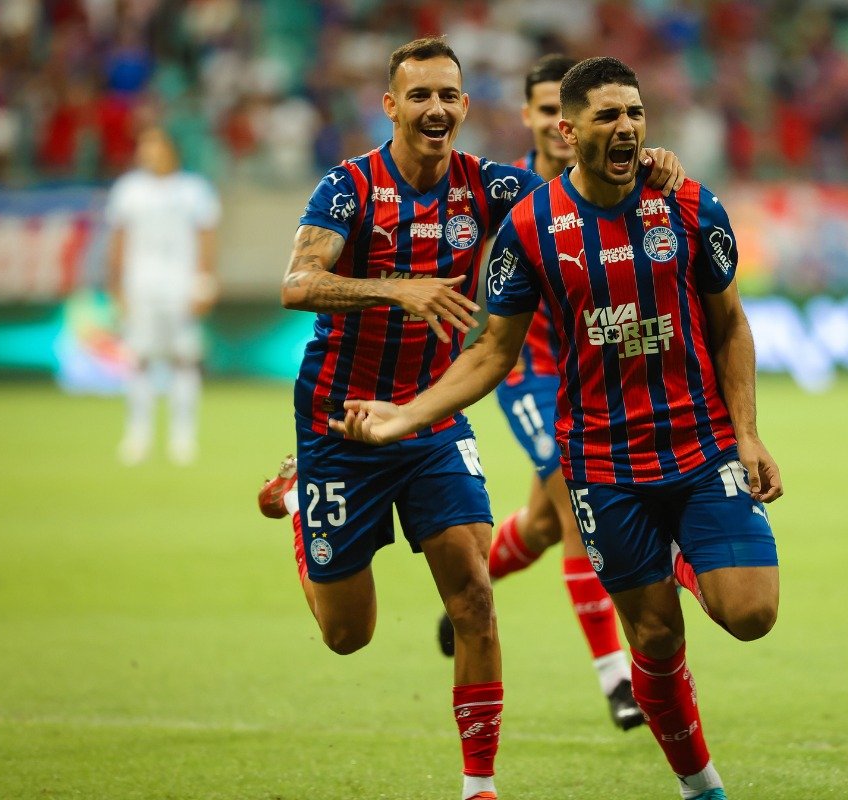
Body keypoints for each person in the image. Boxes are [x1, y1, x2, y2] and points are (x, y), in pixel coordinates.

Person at [331, 56, 782, 800]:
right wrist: (407, 415)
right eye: (608, 116)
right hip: (603, 465)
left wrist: (749, 433)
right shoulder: (530, 229)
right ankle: (703, 788)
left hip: (700, 449)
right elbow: (491, 352)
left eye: (634, 113)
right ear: (568, 132)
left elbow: (731, 325)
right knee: (658, 639)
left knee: (753, 612)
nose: (627, 127)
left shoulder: (692, 206)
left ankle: (680, 555)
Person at [267, 38, 684, 800]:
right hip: (342, 423)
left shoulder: (486, 187)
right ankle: (302, 504)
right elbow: (296, 284)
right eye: (419, 95)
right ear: (390, 106)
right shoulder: (348, 188)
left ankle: (479, 786)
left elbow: (574, 196)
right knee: (346, 634)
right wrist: (403, 289)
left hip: (432, 421)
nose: (436, 109)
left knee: (474, 600)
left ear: (465, 106)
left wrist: (646, 161)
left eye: (448, 96)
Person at [434, 52, 644, 733]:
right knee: (577, 497)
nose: (560, 122)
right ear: (528, 117)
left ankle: (471, 582)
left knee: (548, 524)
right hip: (527, 368)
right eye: (547, 109)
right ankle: (617, 678)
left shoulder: (620, 181)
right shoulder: (510, 191)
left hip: (593, 369)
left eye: (567, 109)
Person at [107, 126, 220, 466]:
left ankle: (182, 438)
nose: (147, 152)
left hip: (180, 287)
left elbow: (207, 238)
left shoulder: (194, 191)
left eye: (154, 145)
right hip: (140, 286)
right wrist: (116, 287)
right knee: (138, 359)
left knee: (184, 358)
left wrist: (205, 281)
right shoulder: (128, 190)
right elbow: (119, 241)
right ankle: (137, 435)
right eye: (144, 146)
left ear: (171, 149)